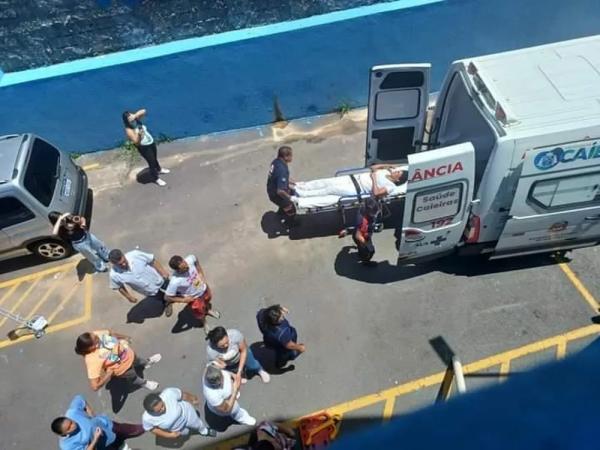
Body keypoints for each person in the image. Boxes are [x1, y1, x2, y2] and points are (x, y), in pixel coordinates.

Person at [74, 328, 162, 392]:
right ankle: (144, 383)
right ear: (91, 347)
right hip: (122, 368)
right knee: (133, 377)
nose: (98, 336)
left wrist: (125, 337)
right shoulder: (92, 359)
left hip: (129, 354)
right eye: (96, 338)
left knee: (139, 361)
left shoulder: (95, 335)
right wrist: (109, 375)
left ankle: (147, 363)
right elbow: (95, 386)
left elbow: (111, 333)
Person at [51, 394, 144, 450]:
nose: (73, 424)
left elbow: (79, 398)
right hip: (104, 445)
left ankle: (147, 426)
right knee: (116, 446)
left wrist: (91, 413)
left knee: (133, 430)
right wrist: (95, 438)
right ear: (64, 434)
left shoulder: (72, 413)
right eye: (69, 427)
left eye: (71, 422)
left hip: (108, 425)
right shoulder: (67, 445)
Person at [164, 254, 221, 334]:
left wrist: (201, 273)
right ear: (177, 270)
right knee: (199, 312)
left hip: (203, 288)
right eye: (183, 268)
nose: (187, 268)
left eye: (185, 264)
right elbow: (167, 297)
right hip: (194, 298)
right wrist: (184, 300)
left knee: (207, 300)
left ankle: (208, 310)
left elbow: (195, 259)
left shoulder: (190, 259)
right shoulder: (175, 281)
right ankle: (204, 323)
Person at [108, 248, 173, 317]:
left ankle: (180, 294)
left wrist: (163, 272)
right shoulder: (114, 274)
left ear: (123, 255)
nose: (124, 264)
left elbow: (152, 260)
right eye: (120, 264)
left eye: (124, 261)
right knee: (160, 297)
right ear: (113, 263)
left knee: (171, 288)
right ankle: (168, 303)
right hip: (148, 290)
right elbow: (119, 287)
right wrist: (129, 297)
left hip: (158, 279)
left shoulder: (135, 255)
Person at [293, 164, 407, 199]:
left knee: (330, 189)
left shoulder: (391, 187)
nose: (396, 171)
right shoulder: (386, 172)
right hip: (353, 178)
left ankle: (304, 194)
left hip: (356, 188)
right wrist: (388, 165)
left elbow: (377, 193)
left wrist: (374, 179)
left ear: (398, 180)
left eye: (398, 173)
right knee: (327, 181)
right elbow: (373, 167)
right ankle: (303, 186)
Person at [142, 387, 217, 439]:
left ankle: (204, 431)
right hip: (177, 428)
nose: (163, 409)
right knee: (186, 433)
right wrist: (169, 435)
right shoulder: (147, 418)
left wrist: (193, 399)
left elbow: (183, 395)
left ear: (161, 398)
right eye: (158, 411)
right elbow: (152, 429)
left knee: (198, 424)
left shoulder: (169, 393)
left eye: (162, 405)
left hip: (187, 415)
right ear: (151, 412)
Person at [206, 326, 270, 383]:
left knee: (253, 365)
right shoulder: (211, 351)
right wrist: (221, 365)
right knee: (234, 371)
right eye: (222, 346)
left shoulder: (235, 335)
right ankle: (240, 375)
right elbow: (216, 363)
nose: (226, 346)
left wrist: (239, 370)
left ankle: (259, 370)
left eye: (227, 342)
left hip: (241, 354)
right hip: (229, 363)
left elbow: (243, 350)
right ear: (215, 345)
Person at [122, 109, 169, 186]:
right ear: (126, 121)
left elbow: (144, 111)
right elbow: (136, 141)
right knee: (151, 162)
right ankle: (156, 178)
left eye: (130, 115)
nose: (131, 117)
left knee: (154, 158)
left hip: (150, 142)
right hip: (144, 147)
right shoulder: (129, 130)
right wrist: (139, 135)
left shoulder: (136, 120)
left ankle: (159, 169)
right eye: (129, 117)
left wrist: (135, 115)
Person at [267, 146, 296, 225]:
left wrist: (294, 183)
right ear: (286, 157)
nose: (292, 157)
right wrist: (290, 198)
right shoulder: (282, 169)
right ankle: (290, 223)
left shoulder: (276, 162)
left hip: (271, 188)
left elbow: (281, 177)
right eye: (291, 155)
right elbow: (280, 191)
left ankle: (282, 211)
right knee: (291, 207)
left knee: (292, 192)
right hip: (276, 194)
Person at [352, 197, 379, 266]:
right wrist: (366, 245)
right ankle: (366, 262)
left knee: (361, 249)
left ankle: (361, 253)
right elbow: (358, 236)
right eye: (374, 212)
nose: (375, 214)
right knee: (371, 251)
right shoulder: (363, 221)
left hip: (357, 231)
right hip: (362, 236)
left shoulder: (363, 207)